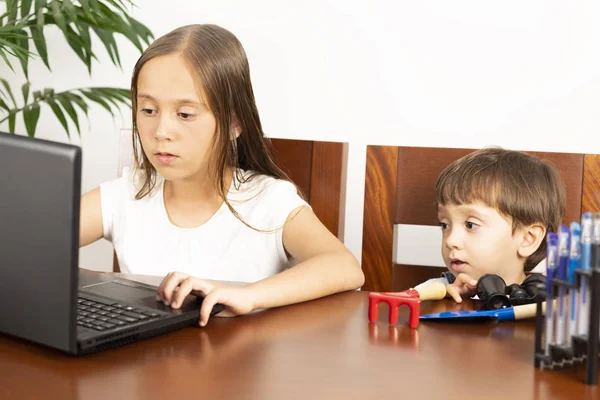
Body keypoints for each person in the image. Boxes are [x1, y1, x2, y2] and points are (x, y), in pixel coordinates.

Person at [78, 24, 364, 326]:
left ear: (234, 124)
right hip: (145, 368)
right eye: (148, 110)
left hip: (237, 370)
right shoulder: (125, 194)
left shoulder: (268, 202)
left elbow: (343, 266)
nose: (161, 132)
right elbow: (34, 240)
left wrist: (248, 295)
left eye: (185, 114)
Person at [415, 147, 566, 303]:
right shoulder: (434, 291)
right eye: (445, 225)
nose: (450, 241)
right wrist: (439, 302)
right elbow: (400, 306)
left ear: (527, 238)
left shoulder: (551, 301)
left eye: (470, 225)